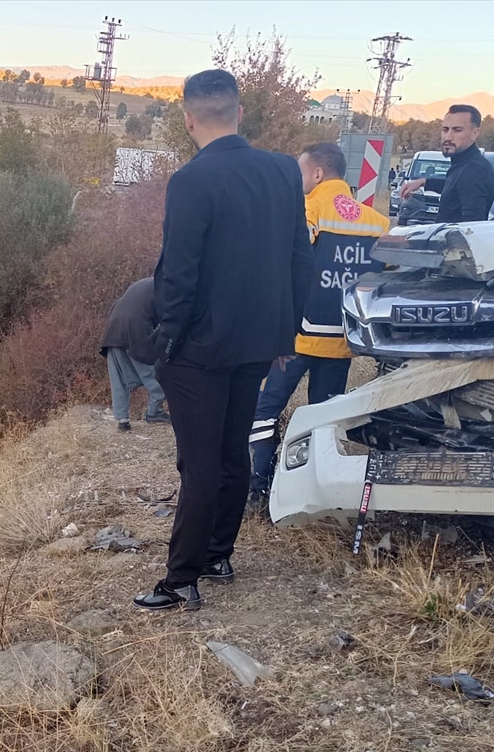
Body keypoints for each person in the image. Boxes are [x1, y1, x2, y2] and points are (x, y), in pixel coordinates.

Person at [134, 69, 313, 611]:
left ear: (188, 118)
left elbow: (179, 274)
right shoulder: (284, 170)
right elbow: (299, 258)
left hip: (201, 347)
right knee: (232, 448)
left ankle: (182, 577)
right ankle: (217, 555)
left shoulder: (192, 179)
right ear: (239, 113)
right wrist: (286, 331)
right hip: (260, 339)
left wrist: (166, 340)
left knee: (199, 462)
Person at [247, 142, 389, 513]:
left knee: (264, 409)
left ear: (317, 174)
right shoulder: (376, 222)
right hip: (344, 339)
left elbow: (285, 264)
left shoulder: (308, 210)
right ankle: (312, 489)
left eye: (300, 171)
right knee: (322, 419)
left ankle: (258, 485)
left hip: (297, 336)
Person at [398, 105, 494, 222]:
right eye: (445, 130)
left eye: (457, 130)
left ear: (474, 134)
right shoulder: (462, 164)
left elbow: (471, 226)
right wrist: (424, 182)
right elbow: (456, 187)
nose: (448, 137)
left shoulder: (474, 169)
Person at [100, 277, 169, 432]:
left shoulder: (138, 284)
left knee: (118, 378)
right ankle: (154, 412)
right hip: (136, 330)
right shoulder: (165, 287)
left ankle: (122, 421)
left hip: (112, 331)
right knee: (156, 374)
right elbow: (167, 320)